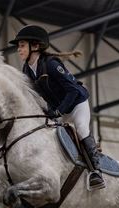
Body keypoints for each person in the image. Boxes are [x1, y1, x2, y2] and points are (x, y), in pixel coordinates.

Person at [9, 25, 105, 190]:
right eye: (19, 46)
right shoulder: (27, 70)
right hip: (58, 107)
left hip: (76, 103)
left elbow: (73, 90)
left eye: (22, 45)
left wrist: (59, 111)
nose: (19, 49)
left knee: (81, 129)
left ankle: (96, 171)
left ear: (36, 46)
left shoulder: (51, 64)